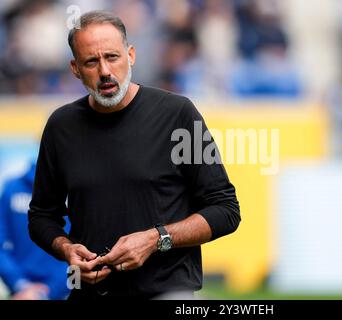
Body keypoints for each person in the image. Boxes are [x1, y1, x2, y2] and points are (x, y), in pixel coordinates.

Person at [28, 10, 240, 299]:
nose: (104, 71)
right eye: (91, 61)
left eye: (112, 57)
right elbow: (41, 215)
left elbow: (225, 210)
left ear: (131, 55)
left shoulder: (177, 114)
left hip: (165, 291)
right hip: (90, 292)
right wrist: (66, 248)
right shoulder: (60, 126)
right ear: (75, 68)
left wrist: (156, 239)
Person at [0, 161, 69, 299]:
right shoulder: (11, 189)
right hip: (22, 293)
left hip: (55, 291)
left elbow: (85, 255)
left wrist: (23, 286)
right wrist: (21, 285)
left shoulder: (78, 192)